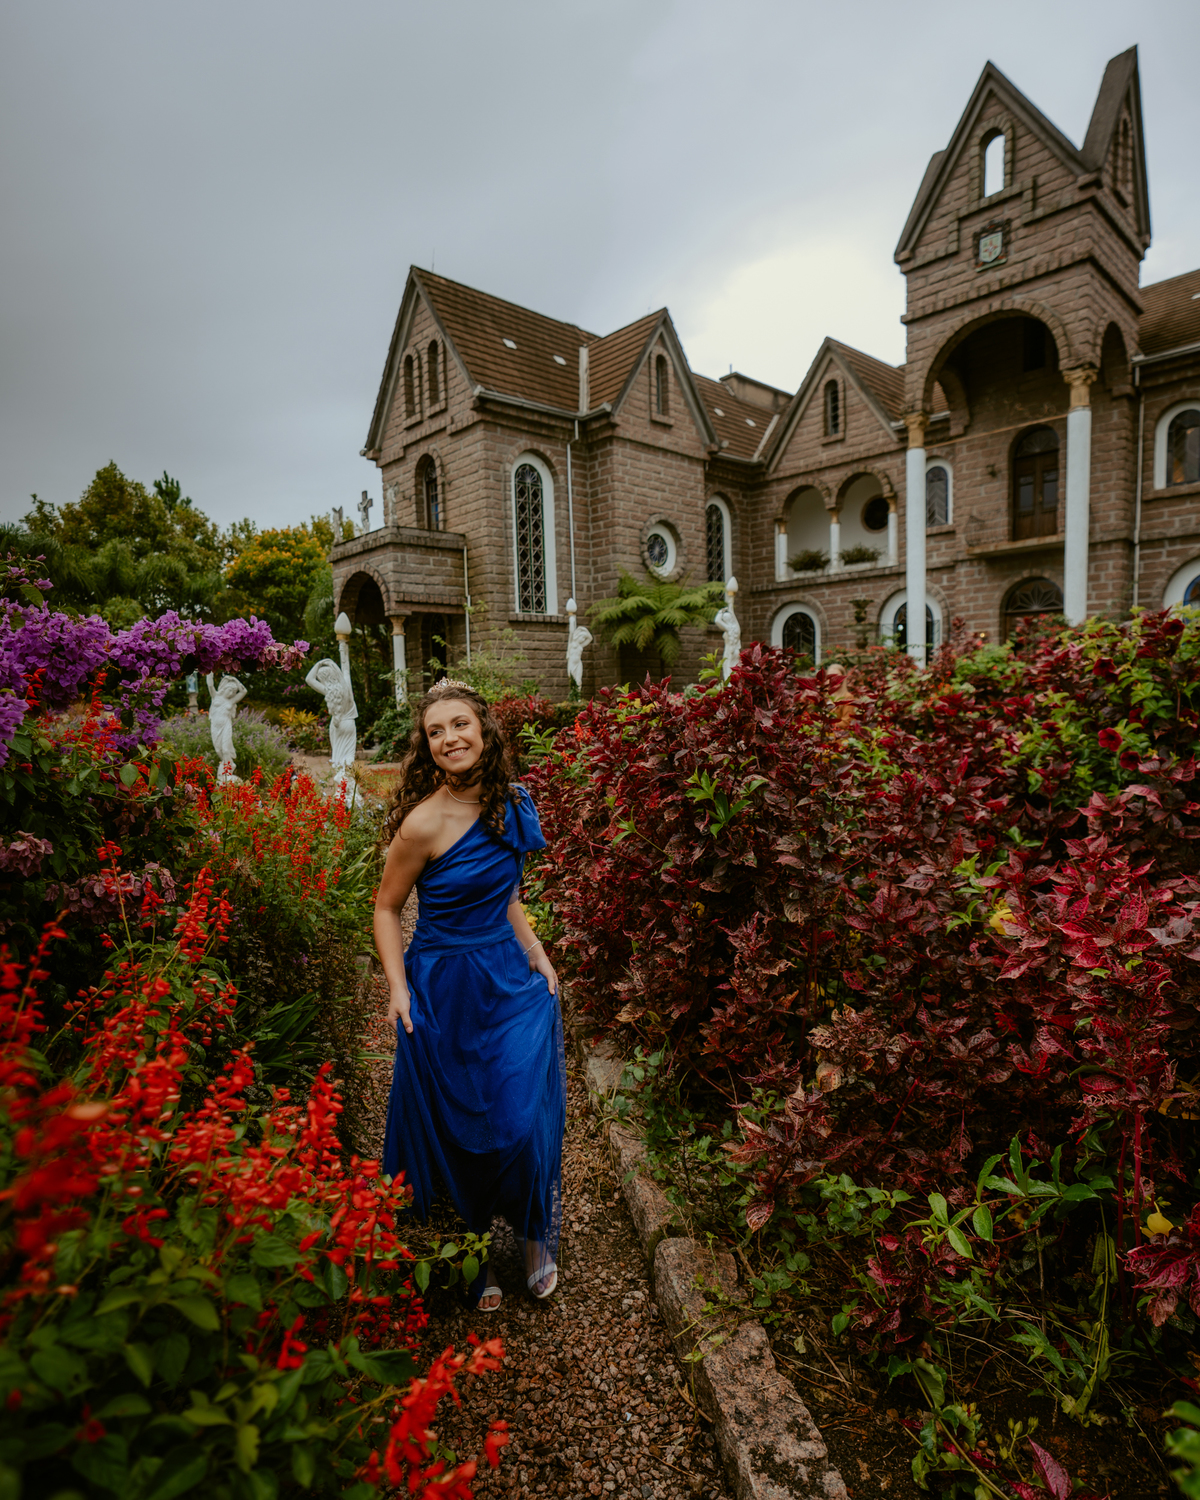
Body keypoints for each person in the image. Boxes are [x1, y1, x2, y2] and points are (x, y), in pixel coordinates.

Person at [375, 679, 564, 1311]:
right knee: (464, 1127)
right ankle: (474, 1250)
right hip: (445, 985)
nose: (450, 738)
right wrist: (398, 990)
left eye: (460, 725)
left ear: (484, 730)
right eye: (436, 731)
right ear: (426, 746)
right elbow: (386, 907)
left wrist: (537, 953)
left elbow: (506, 896)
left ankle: (536, 1235)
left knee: (520, 1114)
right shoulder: (422, 822)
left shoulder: (512, 805)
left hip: (507, 979)